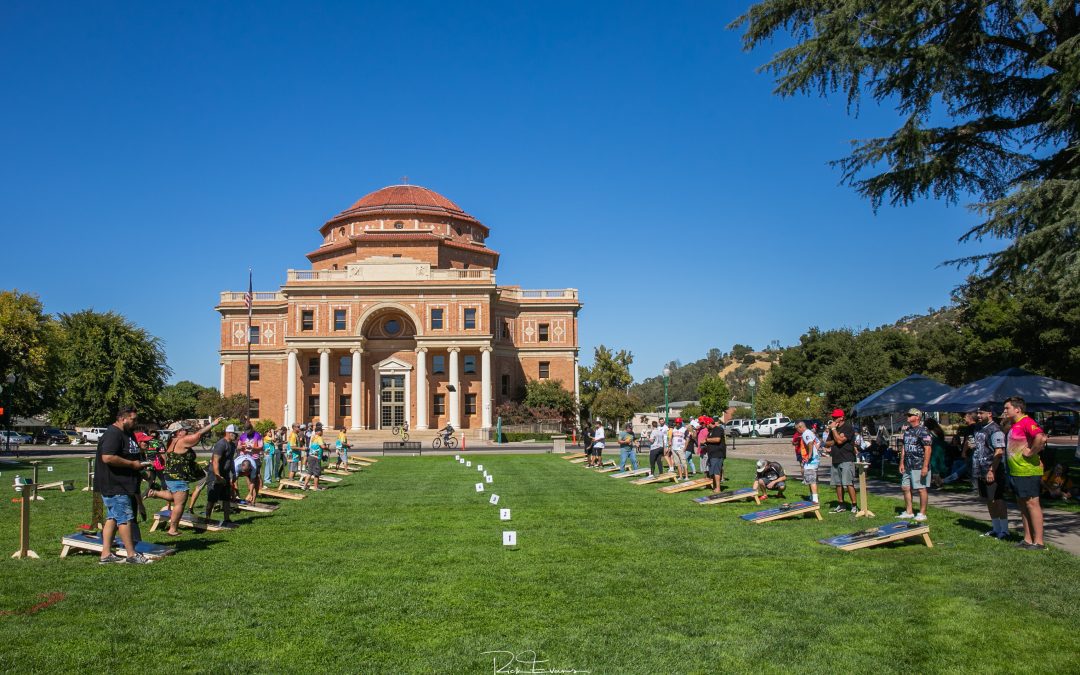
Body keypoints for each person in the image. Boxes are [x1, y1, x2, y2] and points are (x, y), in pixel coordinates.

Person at [94, 407, 152, 564]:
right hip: (114, 483)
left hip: (124, 483)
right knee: (125, 518)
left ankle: (106, 555)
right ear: (122, 418)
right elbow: (107, 457)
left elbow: (130, 454)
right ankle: (131, 555)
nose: (136, 422)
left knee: (113, 517)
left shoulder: (127, 432)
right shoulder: (113, 434)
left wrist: (140, 468)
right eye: (133, 419)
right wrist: (133, 464)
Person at [159, 419, 219, 536]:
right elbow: (199, 434)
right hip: (178, 477)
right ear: (178, 432)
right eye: (184, 430)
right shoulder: (182, 441)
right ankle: (173, 529)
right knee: (180, 503)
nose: (186, 432)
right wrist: (213, 424)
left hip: (169, 475)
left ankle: (154, 493)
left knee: (174, 497)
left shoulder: (171, 441)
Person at [1003, 396, 1048, 550]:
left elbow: (1041, 437)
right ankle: (1028, 539)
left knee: (1032, 503)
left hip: (1027, 471)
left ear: (1018, 409)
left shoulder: (1027, 422)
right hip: (1016, 471)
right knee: (1022, 504)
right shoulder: (1015, 424)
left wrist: (1031, 453)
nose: (1004, 410)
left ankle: (1039, 542)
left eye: (1007, 408)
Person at [969, 403, 1009, 538]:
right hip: (980, 469)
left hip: (993, 470)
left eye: (981, 413)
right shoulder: (979, 428)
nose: (978, 416)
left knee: (997, 499)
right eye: (978, 413)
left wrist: (992, 470)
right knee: (988, 499)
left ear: (990, 414)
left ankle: (1004, 530)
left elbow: (999, 451)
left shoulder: (995, 430)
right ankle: (995, 528)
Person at [898, 408, 933, 522]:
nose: (907, 416)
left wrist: (925, 466)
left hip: (919, 464)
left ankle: (922, 513)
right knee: (905, 487)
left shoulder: (924, 430)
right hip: (908, 464)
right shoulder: (907, 430)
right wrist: (901, 462)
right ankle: (909, 511)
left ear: (917, 417)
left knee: (921, 489)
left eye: (910, 415)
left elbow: (928, 449)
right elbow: (904, 447)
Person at [824, 409, 858, 513]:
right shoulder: (833, 430)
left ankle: (854, 505)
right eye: (833, 417)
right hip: (836, 458)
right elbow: (827, 443)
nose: (833, 419)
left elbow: (840, 441)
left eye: (835, 417)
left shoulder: (848, 428)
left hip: (847, 458)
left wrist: (834, 429)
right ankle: (841, 504)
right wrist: (836, 438)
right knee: (837, 483)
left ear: (841, 417)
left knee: (848, 483)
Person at [204, 424, 239, 525]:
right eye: (234, 434)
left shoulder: (232, 445)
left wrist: (234, 473)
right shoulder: (221, 444)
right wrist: (218, 476)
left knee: (226, 498)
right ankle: (207, 518)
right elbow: (215, 461)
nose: (236, 436)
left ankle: (227, 519)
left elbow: (230, 460)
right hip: (215, 475)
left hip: (226, 474)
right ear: (228, 433)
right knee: (212, 498)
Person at [704, 407, 733, 492]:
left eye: (706, 424)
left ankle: (718, 488)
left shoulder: (718, 429)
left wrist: (706, 440)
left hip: (718, 454)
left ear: (709, 423)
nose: (705, 425)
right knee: (712, 471)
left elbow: (717, 440)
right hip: (712, 454)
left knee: (717, 471)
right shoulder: (710, 431)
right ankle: (714, 486)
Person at [794, 420, 821, 504]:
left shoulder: (806, 433)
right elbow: (818, 441)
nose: (797, 431)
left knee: (812, 479)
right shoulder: (810, 432)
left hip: (811, 461)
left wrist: (809, 455)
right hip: (814, 460)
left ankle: (815, 499)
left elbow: (810, 443)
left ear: (800, 427)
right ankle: (812, 496)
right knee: (810, 479)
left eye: (797, 429)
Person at [924, 417, 949, 488]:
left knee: (934, 465)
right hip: (940, 449)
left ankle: (937, 482)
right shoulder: (938, 431)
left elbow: (927, 442)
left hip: (934, 449)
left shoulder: (929, 433)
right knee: (939, 464)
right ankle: (938, 481)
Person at [303, 425, 325, 490]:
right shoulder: (319, 438)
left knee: (309, 472)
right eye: (322, 431)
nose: (322, 432)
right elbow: (322, 446)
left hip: (310, 456)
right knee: (316, 473)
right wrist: (326, 447)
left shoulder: (313, 437)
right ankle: (316, 487)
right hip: (316, 458)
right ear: (318, 432)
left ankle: (304, 486)